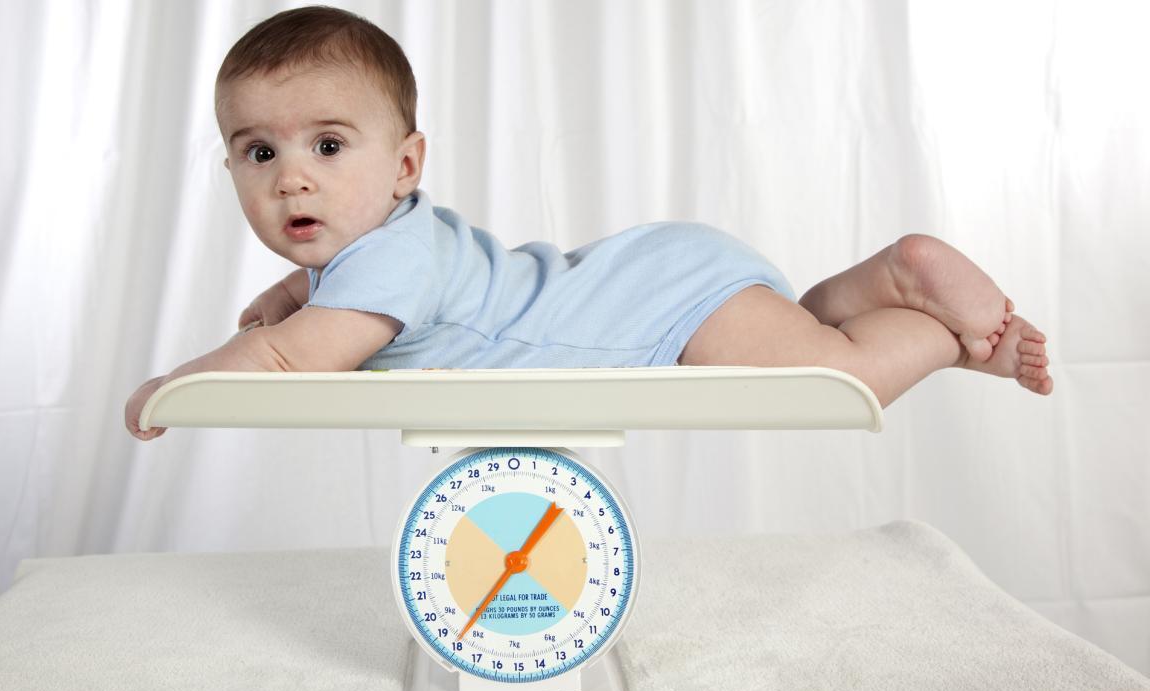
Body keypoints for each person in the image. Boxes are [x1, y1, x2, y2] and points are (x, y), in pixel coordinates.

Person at [125, 6, 1052, 441]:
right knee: (799, 325)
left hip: (650, 305)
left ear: (406, 166)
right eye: (259, 154)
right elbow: (327, 303)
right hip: (649, 278)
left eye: (328, 147)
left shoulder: (388, 268)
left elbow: (291, 363)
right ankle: (879, 282)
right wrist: (292, 289)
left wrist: (175, 384)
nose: (292, 181)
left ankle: (934, 331)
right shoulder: (383, 251)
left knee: (833, 376)